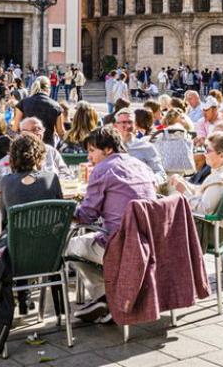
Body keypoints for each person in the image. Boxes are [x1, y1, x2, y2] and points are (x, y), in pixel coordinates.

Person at [66, 127, 157, 324]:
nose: (89, 156)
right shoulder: (140, 164)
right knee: (91, 238)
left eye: (92, 151)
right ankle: (110, 296)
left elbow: (86, 217)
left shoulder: (102, 169)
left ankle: (104, 296)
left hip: (122, 245)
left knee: (70, 246)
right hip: (151, 242)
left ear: (108, 149)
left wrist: (65, 209)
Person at [171, 131, 223, 216]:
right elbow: (202, 191)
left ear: (221, 156)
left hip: (200, 222)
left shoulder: (219, 179)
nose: (205, 154)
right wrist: (184, 183)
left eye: (208, 150)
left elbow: (203, 210)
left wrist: (184, 191)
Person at [0, 134, 63, 213]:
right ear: (40, 156)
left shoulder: (5, 181)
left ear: (12, 156)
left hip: (18, 221)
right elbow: (61, 209)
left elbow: (4, 216)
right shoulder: (51, 178)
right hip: (49, 220)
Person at [112, 109, 165, 182]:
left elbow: (160, 173)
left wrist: (153, 181)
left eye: (130, 122)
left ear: (135, 125)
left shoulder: (146, 147)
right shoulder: (108, 148)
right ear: (115, 126)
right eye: (123, 122)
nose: (128, 126)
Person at [17, 76, 64, 145]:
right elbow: (61, 132)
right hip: (47, 144)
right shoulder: (56, 106)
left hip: (27, 144)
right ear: (48, 89)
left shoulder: (23, 103)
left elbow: (16, 127)